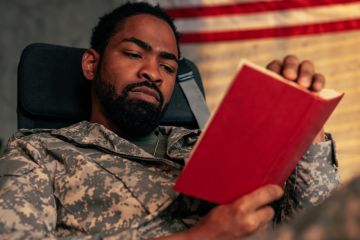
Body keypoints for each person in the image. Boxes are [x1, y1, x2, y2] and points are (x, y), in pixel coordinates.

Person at [0, 2, 339, 239]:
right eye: (134, 54)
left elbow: (321, 227)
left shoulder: (207, 145)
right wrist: (203, 237)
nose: (152, 72)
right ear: (92, 64)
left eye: (168, 66)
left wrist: (305, 121)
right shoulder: (39, 152)